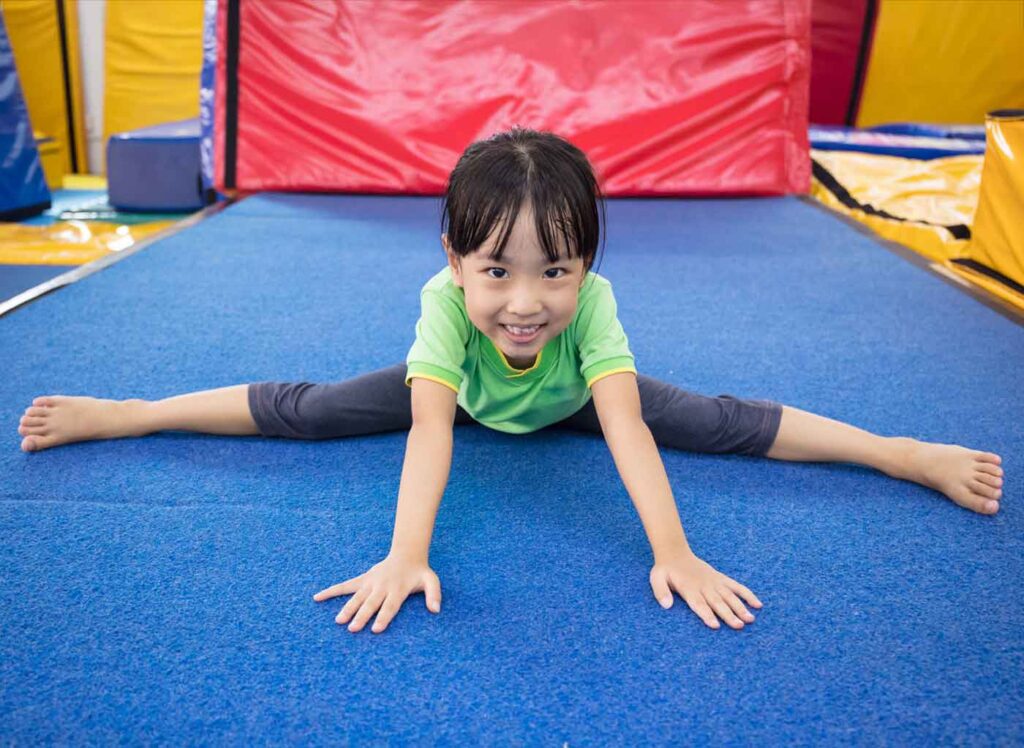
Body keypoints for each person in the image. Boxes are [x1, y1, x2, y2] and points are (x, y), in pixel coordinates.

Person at [17, 128, 1004, 635]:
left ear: (586, 265)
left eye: (554, 271)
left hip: (567, 401)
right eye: (497, 270)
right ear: (453, 258)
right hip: (462, 395)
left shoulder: (593, 314)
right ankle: (129, 412)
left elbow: (626, 428)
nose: (524, 302)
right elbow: (431, 433)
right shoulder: (445, 311)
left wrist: (677, 550)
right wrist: (406, 554)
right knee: (309, 410)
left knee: (715, 419)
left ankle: (899, 452)